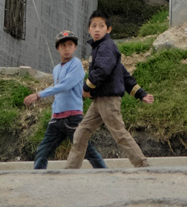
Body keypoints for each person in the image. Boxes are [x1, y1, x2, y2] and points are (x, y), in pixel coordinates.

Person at [64, 10, 154, 169]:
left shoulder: (106, 47)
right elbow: (123, 75)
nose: (97, 29)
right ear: (89, 30)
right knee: (82, 132)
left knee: (119, 134)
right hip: (99, 101)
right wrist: (141, 94)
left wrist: (86, 88)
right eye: (93, 26)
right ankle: (70, 170)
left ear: (109, 29)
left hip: (108, 100)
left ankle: (143, 165)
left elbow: (102, 71)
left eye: (101, 26)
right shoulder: (100, 48)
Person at [24, 29, 107, 171]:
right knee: (42, 151)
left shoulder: (77, 65)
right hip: (56, 119)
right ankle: (37, 178)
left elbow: (65, 85)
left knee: (87, 150)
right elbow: (57, 88)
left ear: (75, 47)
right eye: (63, 46)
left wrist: (39, 95)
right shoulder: (56, 69)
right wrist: (52, 113)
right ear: (58, 49)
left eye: (70, 45)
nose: (66, 49)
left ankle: (105, 173)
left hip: (73, 118)